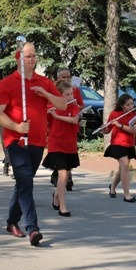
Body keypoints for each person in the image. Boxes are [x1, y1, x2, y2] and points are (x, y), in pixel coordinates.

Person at [0, 41, 67, 246]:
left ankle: (11, 221)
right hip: (15, 141)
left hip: (36, 141)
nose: (33, 60)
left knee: (23, 183)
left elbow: (62, 104)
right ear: (19, 57)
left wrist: (47, 94)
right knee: (26, 181)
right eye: (29, 56)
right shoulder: (7, 84)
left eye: (35, 56)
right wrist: (16, 127)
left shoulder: (43, 82)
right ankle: (33, 228)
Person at [42, 80, 80, 216]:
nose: (70, 97)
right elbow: (42, 118)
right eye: (67, 95)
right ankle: (63, 206)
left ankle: (57, 195)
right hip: (56, 142)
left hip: (70, 143)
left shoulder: (74, 107)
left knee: (66, 174)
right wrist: (49, 113)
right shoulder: (52, 106)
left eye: (71, 94)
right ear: (59, 96)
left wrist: (57, 116)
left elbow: (75, 120)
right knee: (62, 174)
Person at [50, 67, 85, 190]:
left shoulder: (74, 90)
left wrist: (75, 108)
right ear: (58, 78)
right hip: (58, 129)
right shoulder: (54, 91)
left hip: (71, 128)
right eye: (63, 77)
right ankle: (63, 179)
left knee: (68, 159)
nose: (66, 79)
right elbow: (50, 106)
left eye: (68, 77)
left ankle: (62, 179)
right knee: (61, 160)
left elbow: (81, 105)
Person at [104, 93, 136, 203]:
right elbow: (107, 131)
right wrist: (103, 128)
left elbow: (135, 131)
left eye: (132, 104)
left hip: (129, 144)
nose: (131, 106)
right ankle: (127, 194)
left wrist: (120, 125)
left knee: (122, 168)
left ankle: (113, 187)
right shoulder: (115, 114)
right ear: (122, 106)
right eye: (128, 105)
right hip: (117, 143)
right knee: (124, 166)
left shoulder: (135, 116)